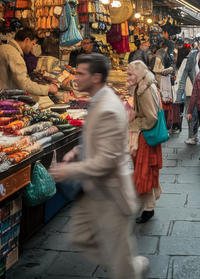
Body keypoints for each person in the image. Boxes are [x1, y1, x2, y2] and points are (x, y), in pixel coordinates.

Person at [50, 54, 147, 279]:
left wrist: (68, 171)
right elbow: (96, 139)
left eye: (80, 73)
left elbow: (107, 161)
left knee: (121, 264)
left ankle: (133, 269)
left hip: (110, 191)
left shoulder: (108, 109)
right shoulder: (98, 101)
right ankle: (124, 265)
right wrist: (77, 151)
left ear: (96, 77)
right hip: (92, 187)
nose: (75, 78)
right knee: (81, 238)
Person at [127, 60, 163, 224]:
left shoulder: (144, 89)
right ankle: (149, 201)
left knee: (144, 171)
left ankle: (149, 209)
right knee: (146, 169)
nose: (128, 78)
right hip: (145, 135)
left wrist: (136, 125)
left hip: (145, 136)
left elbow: (151, 118)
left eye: (130, 74)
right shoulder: (144, 84)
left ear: (139, 74)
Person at [0, 28, 57, 97]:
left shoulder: (1, 48)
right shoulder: (14, 54)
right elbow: (24, 84)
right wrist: (47, 89)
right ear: (26, 40)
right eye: (33, 44)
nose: (32, 47)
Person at [175, 38, 200, 145]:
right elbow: (185, 72)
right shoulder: (193, 55)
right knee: (192, 113)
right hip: (195, 89)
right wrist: (179, 93)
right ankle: (193, 136)